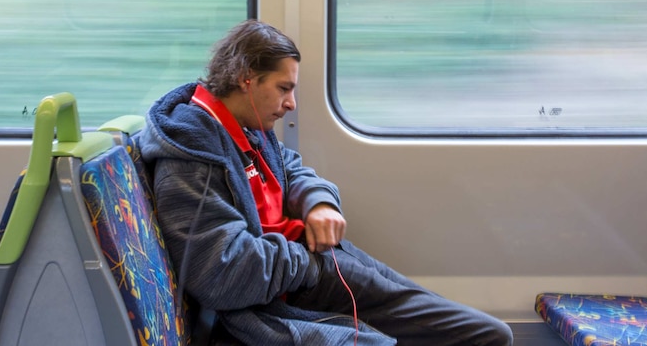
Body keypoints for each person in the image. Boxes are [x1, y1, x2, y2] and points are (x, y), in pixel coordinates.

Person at [139, 19, 513, 346]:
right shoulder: (193, 155)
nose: (292, 104)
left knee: (486, 331)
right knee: (484, 337)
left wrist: (318, 201)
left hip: (305, 266)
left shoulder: (243, 126)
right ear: (246, 79)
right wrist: (307, 263)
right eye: (284, 89)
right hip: (286, 290)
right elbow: (219, 273)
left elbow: (289, 167)